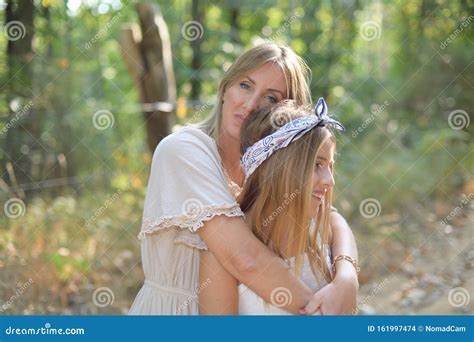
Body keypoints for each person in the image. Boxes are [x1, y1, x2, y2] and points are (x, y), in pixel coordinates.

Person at [129, 43, 358, 315]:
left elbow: (327, 217)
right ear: (225, 88)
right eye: (245, 85)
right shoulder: (184, 150)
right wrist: (324, 314)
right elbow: (245, 259)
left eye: (271, 98)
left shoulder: (268, 164)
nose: (250, 105)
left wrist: (347, 275)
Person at [200, 98, 353, 314]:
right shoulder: (221, 254)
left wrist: (347, 276)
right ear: (278, 168)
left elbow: (340, 226)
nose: (330, 180)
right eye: (317, 165)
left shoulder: (322, 228)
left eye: (330, 166)